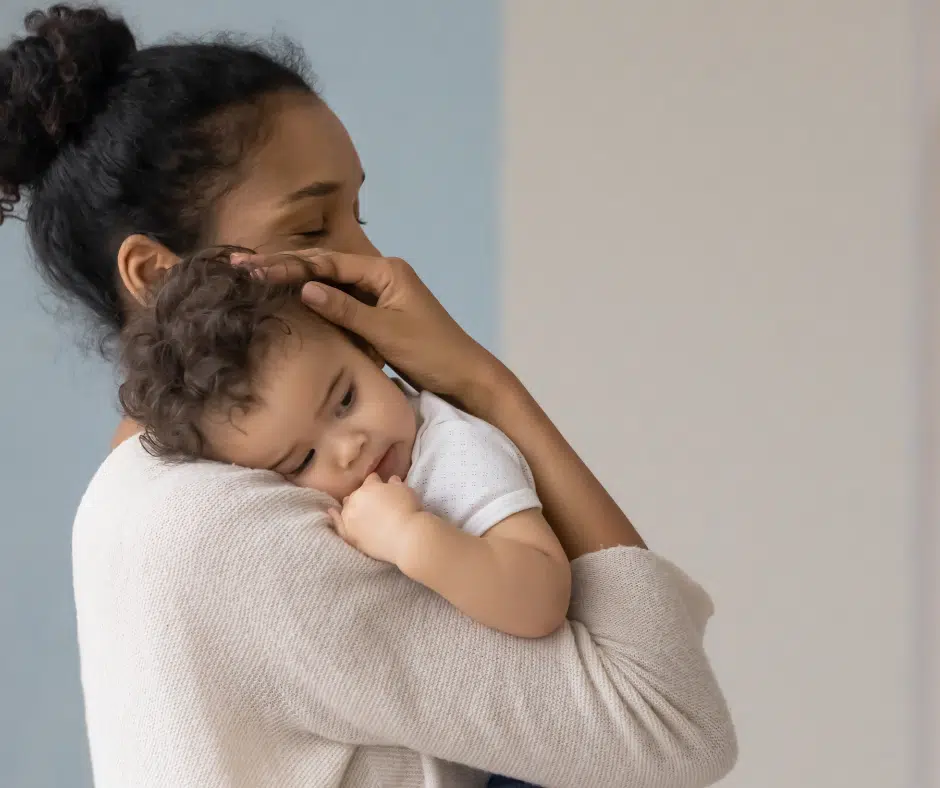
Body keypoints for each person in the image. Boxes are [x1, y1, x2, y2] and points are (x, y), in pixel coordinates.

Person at [0, 5, 738, 788]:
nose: (374, 260)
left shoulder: (162, 497)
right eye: (313, 225)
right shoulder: (226, 531)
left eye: (359, 215)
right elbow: (672, 729)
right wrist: (484, 384)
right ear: (157, 276)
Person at [118, 253, 572, 639]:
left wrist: (412, 539)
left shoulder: (455, 453)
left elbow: (542, 596)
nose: (349, 448)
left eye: (346, 400)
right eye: (303, 460)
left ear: (369, 351)